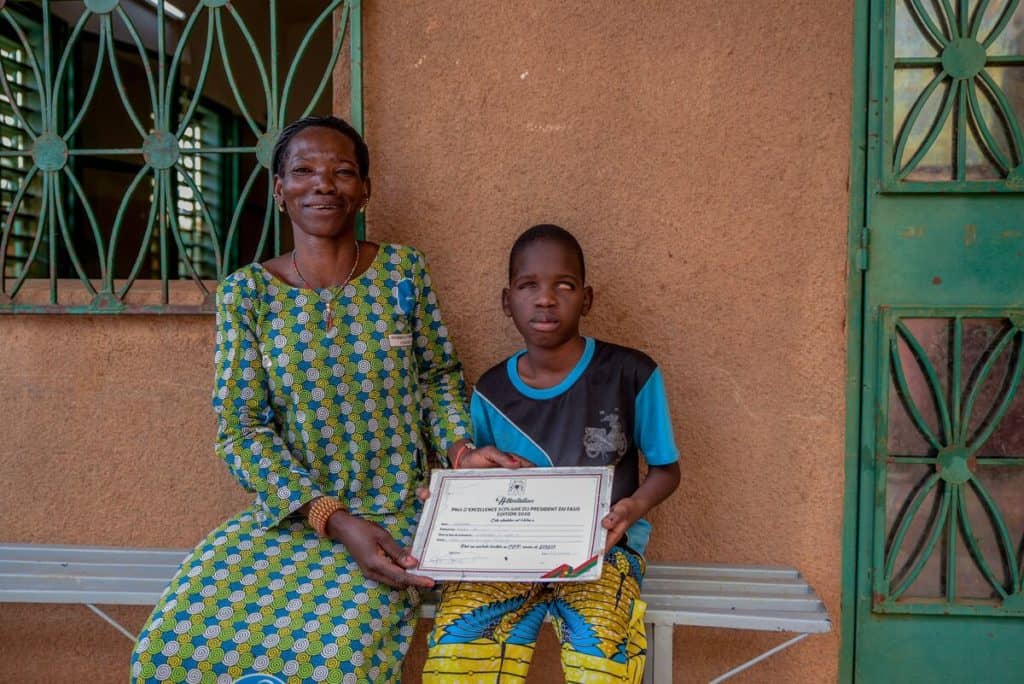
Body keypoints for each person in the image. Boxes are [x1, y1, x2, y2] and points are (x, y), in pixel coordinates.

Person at [130, 115, 518, 684]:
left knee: (331, 663)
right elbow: (241, 428)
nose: (323, 184)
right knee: (169, 650)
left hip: (392, 513)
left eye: (343, 172)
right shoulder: (247, 294)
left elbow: (436, 376)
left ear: (365, 189)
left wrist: (460, 452)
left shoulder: (402, 273)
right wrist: (329, 516)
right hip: (290, 517)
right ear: (279, 189)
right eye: (304, 171)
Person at [422, 224, 682, 684]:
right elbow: (481, 483)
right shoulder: (491, 390)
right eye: (528, 286)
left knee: (598, 653)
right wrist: (449, 503)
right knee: (457, 648)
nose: (545, 299)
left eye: (564, 285)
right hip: (507, 556)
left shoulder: (632, 373)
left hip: (604, 551)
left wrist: (632, 508)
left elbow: (666, 469)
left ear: (587, 298)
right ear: (507, 301)